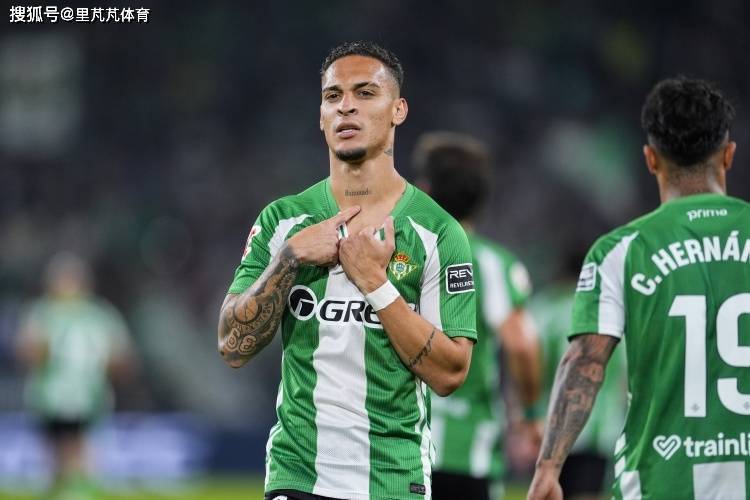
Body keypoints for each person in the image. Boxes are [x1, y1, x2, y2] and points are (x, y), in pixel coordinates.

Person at [217, 41, 477, 500]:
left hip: (393, 479)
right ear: (321, 116)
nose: (346, 107)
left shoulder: (438, 232)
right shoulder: (284, 222)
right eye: (333, 96)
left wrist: (376, 283)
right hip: (297, 474)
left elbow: (450, 374)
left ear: (398, 110)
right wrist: (289, 259)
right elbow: (231, 346)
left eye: (365, 93)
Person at [528, 76, 749, 500]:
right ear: (729, 155)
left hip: (660, 482)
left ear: (650, 159)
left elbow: (585, 362)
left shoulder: (620, 251)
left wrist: (549, 467)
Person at [413, 131, 542, 500]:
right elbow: (520, 344)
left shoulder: (397, 254)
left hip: (402, 445)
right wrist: (531, 413)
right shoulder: (492, 263)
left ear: (424, 190)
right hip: (469, 449)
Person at [16, 251, 134, 499]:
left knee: (66, 457)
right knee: (71, 457)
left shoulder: (45, 313)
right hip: (74, 396)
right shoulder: (99, 314)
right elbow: (121, 358)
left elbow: (28, 352)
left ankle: (69, 491)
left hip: (64, 395)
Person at [529, 251, 627, 500]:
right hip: (600, 431)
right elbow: (625, 378)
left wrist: (529, 414)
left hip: (551, 430)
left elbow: (530, 362)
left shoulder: (547, 309)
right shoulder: (612, 312)